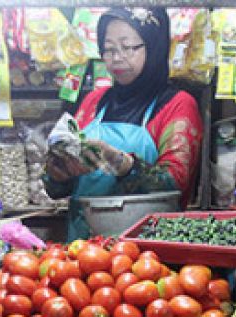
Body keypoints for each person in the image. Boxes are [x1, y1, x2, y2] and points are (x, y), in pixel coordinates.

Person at [44, 7, 204, 241]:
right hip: (84, 252)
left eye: (128, 47)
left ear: (154, 46)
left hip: (145, 256)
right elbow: (56, 189)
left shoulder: (177, 105)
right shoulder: (94, 101)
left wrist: (122, 163)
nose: (117, 57)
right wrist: (59, 170)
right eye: (108, 49)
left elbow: (176, 186)